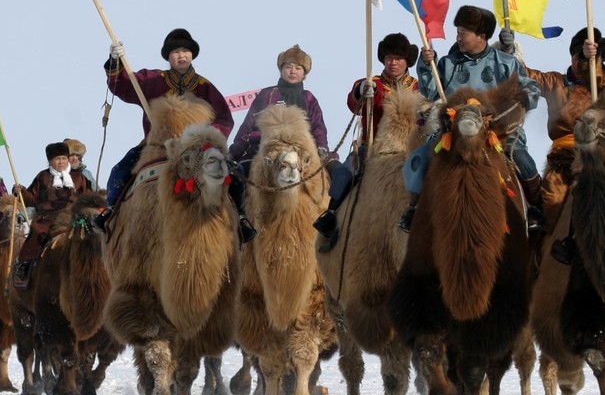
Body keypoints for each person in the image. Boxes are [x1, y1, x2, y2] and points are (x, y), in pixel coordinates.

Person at [100, 28, 253, 240]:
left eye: (185, 51)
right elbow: (125, 86)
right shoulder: (152, 80)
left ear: (192, 55)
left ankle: (241, 218)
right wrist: (115, 62)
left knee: (233, 174)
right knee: (120, 170)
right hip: (155, 144)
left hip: (197, 147)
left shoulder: (205, 87)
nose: (181, 56)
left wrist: (209, 136)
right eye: (176, 52)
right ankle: (111, 212)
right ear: (168, 56)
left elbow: (224, 119)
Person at [399, 5, 541, 232]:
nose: (458, 38)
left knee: (524, 160)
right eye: (458, 32)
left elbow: (529, 87)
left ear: (481, 36)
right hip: (452, 132)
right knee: (419, 159)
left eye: (463, 33)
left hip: (499, 132)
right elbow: (430, 90)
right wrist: (427, 64)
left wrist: (526, 97)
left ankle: (535, 208)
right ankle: (414, 208)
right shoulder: (448, 64)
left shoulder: (506, 62)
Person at [313, 33, 419, 242]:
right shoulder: (373, 83)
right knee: (344, 172)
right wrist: (362, 91)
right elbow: (354, 102)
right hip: (371, 147)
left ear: (406, 60)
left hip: (408, 149)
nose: (393, 63)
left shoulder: (418, 86)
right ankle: (332, 213)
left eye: (398, 58)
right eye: (389, 58)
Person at [520, 27, 605, 259]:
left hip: (597, 156)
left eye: (587, 58)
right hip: (562, 157)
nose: (580, 62)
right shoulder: (555, 82)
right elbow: (527, 76)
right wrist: (510, 55)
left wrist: (590, 60)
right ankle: (537, 255)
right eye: (577, 56)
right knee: (551, 200)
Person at [228, 45, 336, 231]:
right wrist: (234, 152)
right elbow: (247, 126)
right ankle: (241, 221)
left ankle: (331, 218)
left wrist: (322, 148)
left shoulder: (309, 98)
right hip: (264, 151)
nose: (292, 71)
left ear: (304, 73)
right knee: (237, 176)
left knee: (338, 174)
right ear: (281, 69)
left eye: (298, 68)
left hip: (303, 153)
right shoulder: (266, 95)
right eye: (288, 66)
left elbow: (318, 128)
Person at [11, 141, 91, 287]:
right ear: (50, 161)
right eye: (57, 159)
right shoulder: (43, 177)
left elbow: (87, 196)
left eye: (64, 158)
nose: (61, 162)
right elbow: (31, 199)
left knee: (90, 233)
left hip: (73, 216)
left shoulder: (79, 177)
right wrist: (20, 191)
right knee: (37, 232)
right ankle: (25, 265)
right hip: (47, 217)